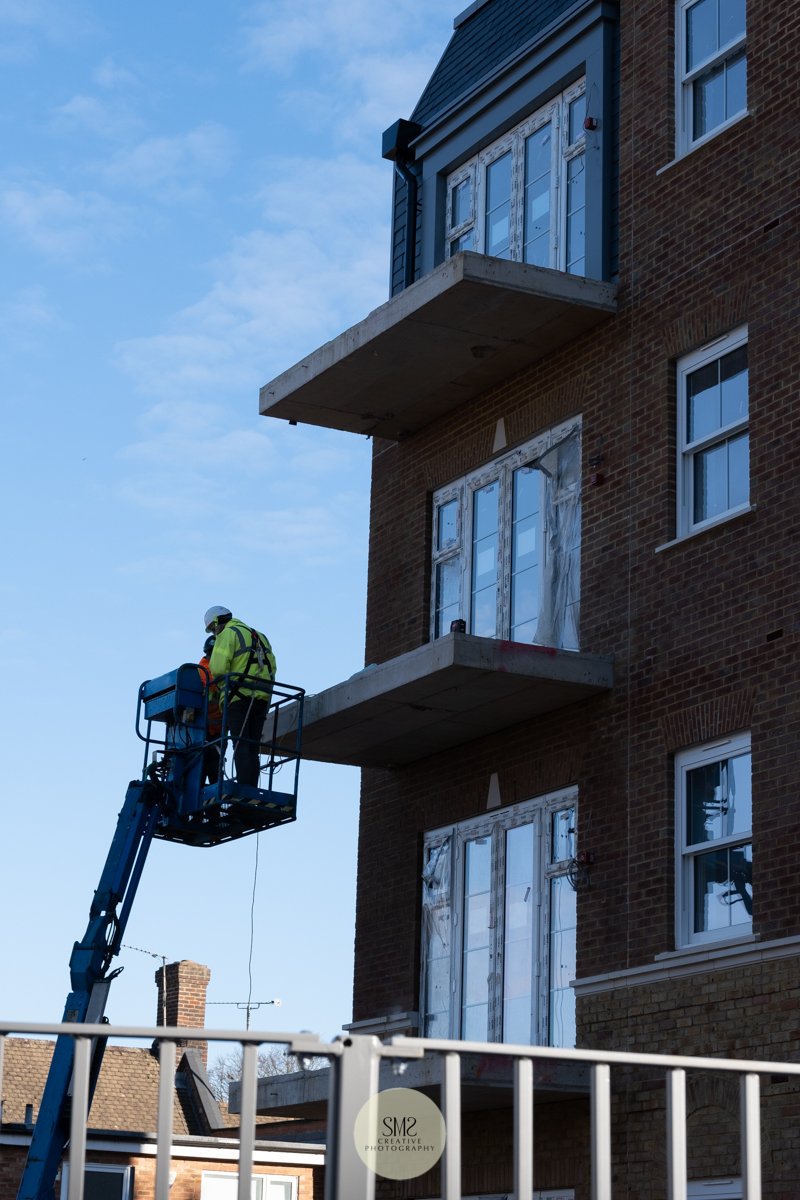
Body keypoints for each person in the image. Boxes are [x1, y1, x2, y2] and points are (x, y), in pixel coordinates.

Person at [203, 606, 276, 788]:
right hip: (261, 697)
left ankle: (245, 789)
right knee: (252, 746)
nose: (214, 632)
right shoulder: (259, 636)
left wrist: (220, 689)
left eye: (213, 628)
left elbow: (218, 669)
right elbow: (272, 667)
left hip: (238, 698)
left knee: (241, 745)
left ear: (218, 621)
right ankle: (251, 788)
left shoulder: (227, 634)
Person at [198, 634, 222, 785]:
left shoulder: (218, 668)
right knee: (199, 771)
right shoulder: (204, 668)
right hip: (203, 729)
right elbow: (214, 684)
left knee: (214, 770)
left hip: (217, 730)